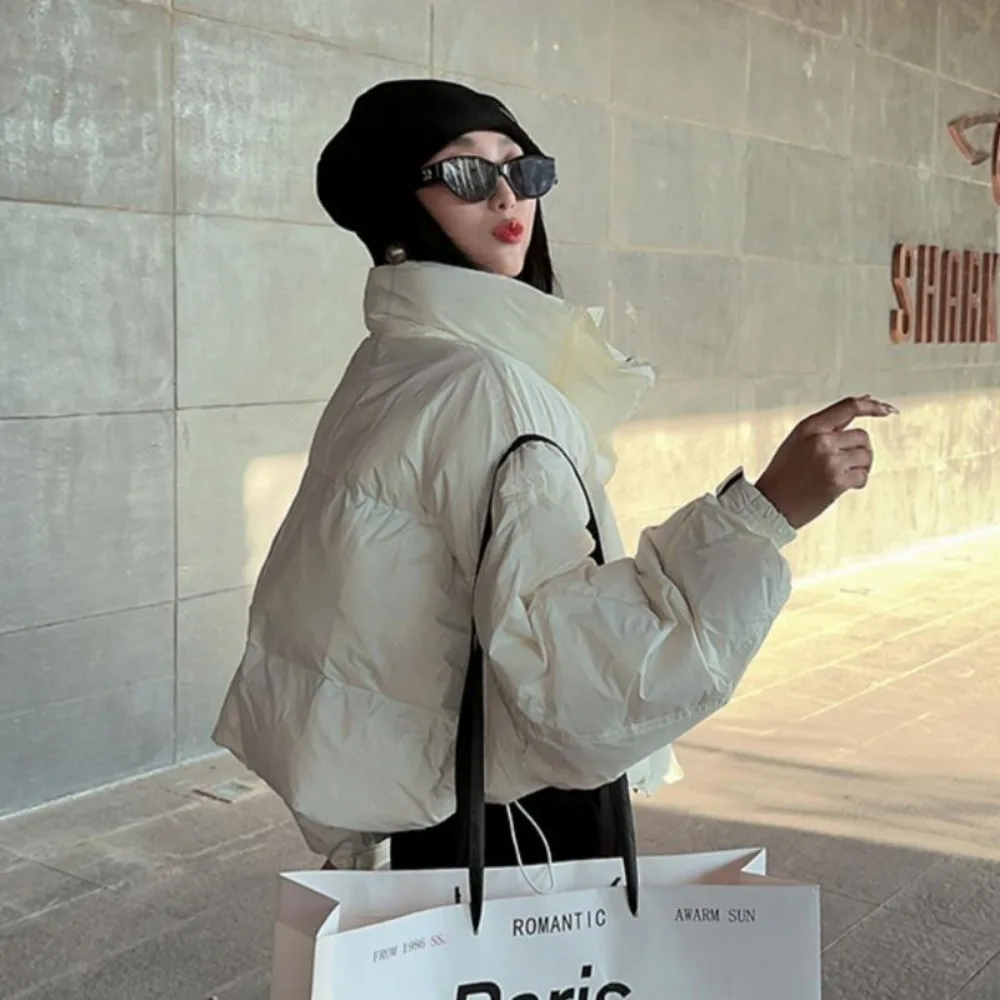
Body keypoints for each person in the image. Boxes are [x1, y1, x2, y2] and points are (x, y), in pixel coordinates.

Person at [212, 79, 896, 873]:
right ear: (397, 201)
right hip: (517, 814)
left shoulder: (395, 358)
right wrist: (765, 511)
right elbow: (572, 684)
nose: (510, 196)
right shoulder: (488, 387)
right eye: (466, 174)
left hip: (440, 794)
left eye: (524, 169)